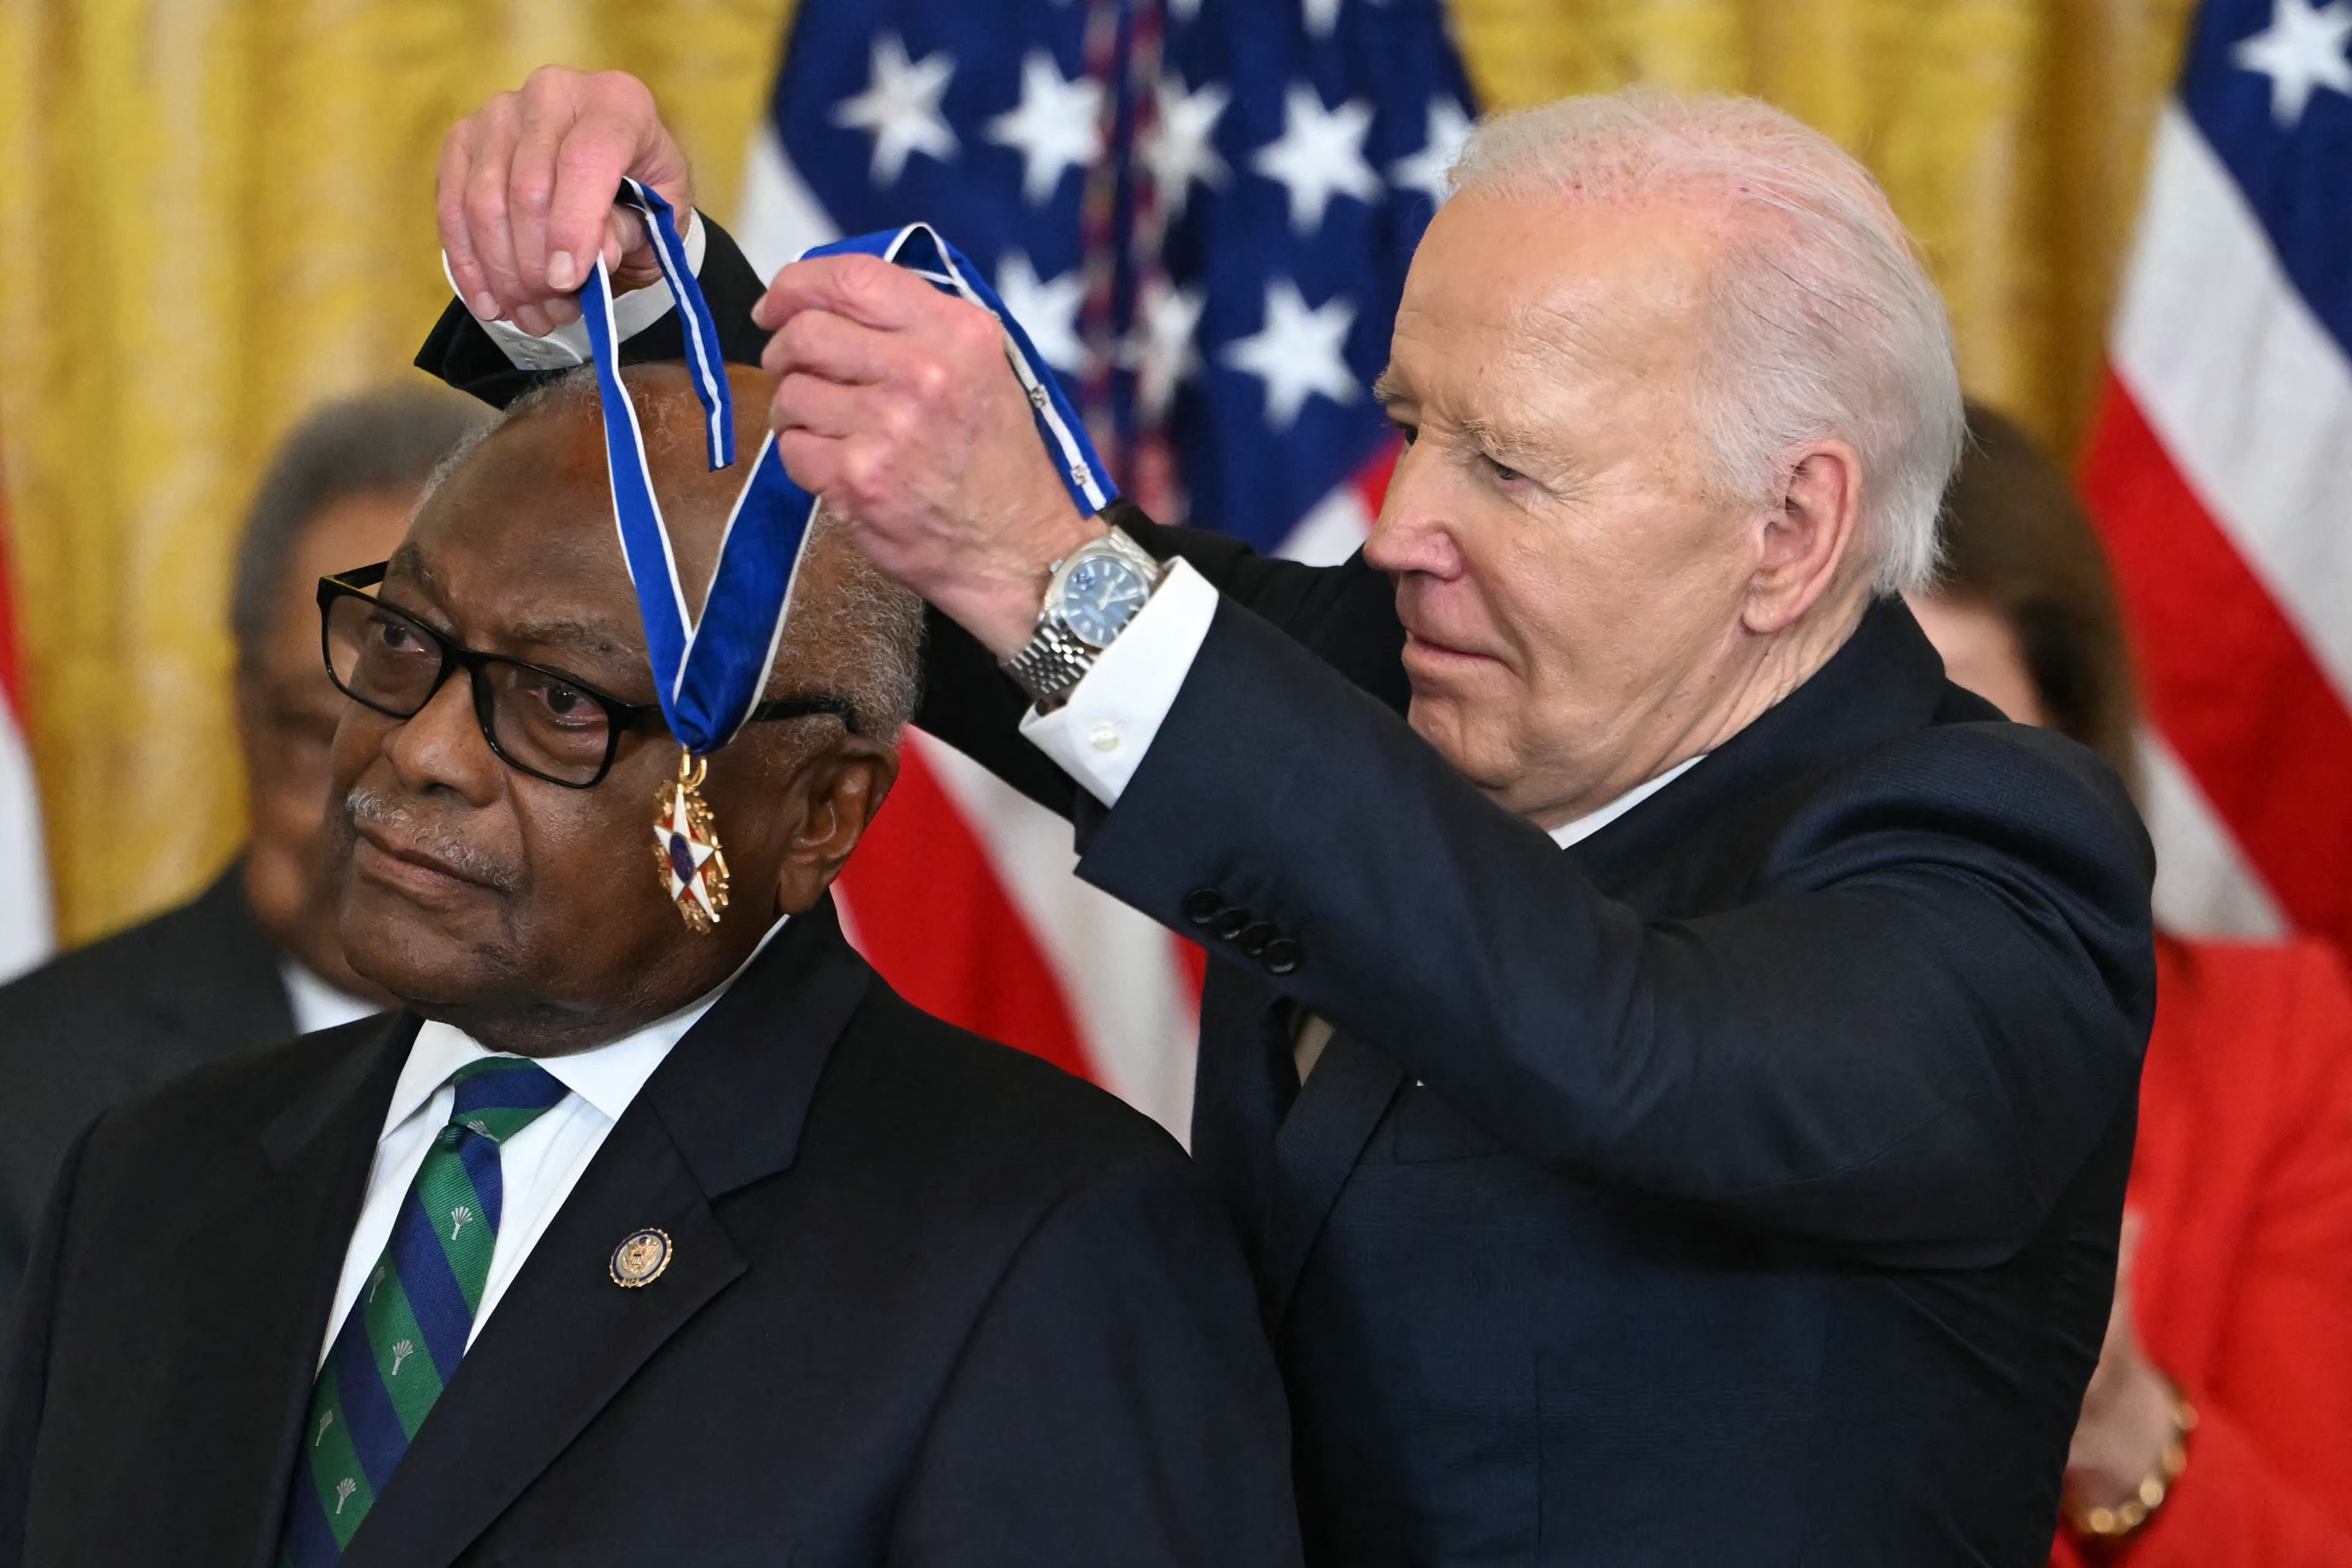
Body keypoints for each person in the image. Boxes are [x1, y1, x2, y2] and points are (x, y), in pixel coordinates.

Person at [428, 73, 2156, 1565]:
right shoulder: (1393, 682)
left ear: (1788, 530)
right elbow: (918, 563)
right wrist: (625, 297)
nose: (1405, 522)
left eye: (1512, 464)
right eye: (1412, 428)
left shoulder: (1998, 870)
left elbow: (1620, 1040)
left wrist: (1055, 573)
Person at [0, 362, 1303, 1567]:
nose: (422, 751)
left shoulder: (1044, 1248)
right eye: (406, 643)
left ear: (816, 814)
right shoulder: (151, 1178)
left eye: (562, 700)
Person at [1909, 404, 2352, 1567]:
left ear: (2073, 761)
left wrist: (2112, 1421)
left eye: (1953, 729)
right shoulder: (1633, 1040)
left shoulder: (2270, 1046)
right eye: (1830, 725)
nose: (1885, 798)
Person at [0, 386, 486, 1324]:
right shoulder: (32, 1091)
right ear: (244, 711)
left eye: (444, 740)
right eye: (322, 730)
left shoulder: (630, 1066)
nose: (381, 803)